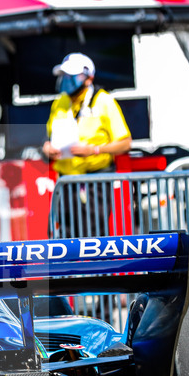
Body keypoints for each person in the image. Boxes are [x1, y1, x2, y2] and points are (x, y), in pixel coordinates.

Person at [42, 52, 131, 238]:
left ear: (88, 77)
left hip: (95, 181)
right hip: (66, 181)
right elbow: (50, 139)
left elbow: (125, 143)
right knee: (65, 235)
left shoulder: (104, 101)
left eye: (71, 76)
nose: (66, 80)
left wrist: (94, 150)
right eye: (64, 76)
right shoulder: (59, 103)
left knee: (93, 234)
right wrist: (47, 149)